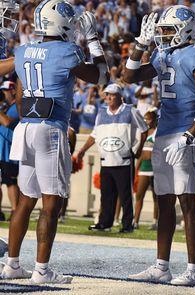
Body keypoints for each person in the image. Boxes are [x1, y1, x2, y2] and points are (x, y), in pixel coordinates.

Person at [1, 0, 109, 284]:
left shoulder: (22, 51)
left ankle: (12, 264)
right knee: (51, 204)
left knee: (25, 200)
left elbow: (22, 99)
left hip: (26, 127)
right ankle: (42, 269)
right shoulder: (68, 50)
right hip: (51, 128)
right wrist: (94, 39)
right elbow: (101, 75)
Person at [124, 5, 195, 286]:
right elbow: (129, 77)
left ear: (185, 29)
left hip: (184, 134)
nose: (161, 34)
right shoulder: (162, 54)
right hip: (163, 133)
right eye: (160, 30)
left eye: (166, 29)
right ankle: (161, 266)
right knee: (163, 203)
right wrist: (140, 45)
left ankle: (193, 271)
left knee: (186, 201)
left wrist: (190, 135)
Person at [77, 83, 148, 233]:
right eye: (107, 94)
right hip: (106, 160)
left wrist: (138, 149)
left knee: (125, 195)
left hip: (124, 159)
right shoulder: (101, 113)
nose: (109, 97)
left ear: (120, 96)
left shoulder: (131, 111)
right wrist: (83, 150)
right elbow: (94, 134)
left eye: (112, 94)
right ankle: (105, 223)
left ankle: (127, 225)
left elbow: (144, 130)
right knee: (106, 195)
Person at [133, 108, 158, 230]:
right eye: (145, 119)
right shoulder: (143, 133)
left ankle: (155, 221)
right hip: (144, 166)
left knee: (156, 196)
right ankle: (135, 221)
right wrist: (136, 168)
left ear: (154, 120)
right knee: (139, 195)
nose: (146, 121)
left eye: (148, 119)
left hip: (155, 167)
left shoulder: (158, 133)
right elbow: (141, 153)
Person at [0, 81, 20, 221]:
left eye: (6, 91)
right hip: (1, 150)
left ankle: (15, 211)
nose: (4, 94)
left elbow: (7, 122)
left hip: (9, 152)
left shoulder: (17, 108)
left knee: (10, 181)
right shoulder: (6, 107)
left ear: (13, 91)